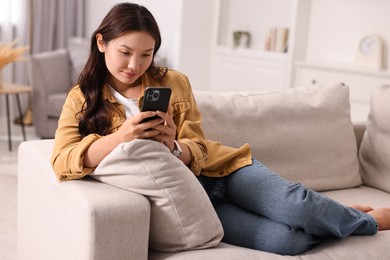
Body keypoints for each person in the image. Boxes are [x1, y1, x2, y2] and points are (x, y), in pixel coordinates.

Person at [51, 2, 390, 255]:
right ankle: (336, 214)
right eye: (125, 52)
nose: (134, 65)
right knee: (289, 241)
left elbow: (197, 144)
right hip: (194, 199)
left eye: (146, 55)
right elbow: (62, 160)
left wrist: (174, 146)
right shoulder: (81, 99)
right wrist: (122, 136)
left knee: (298, 207)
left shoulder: (173, 82)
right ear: (101, 43)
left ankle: (367, 220)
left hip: (223, 170)